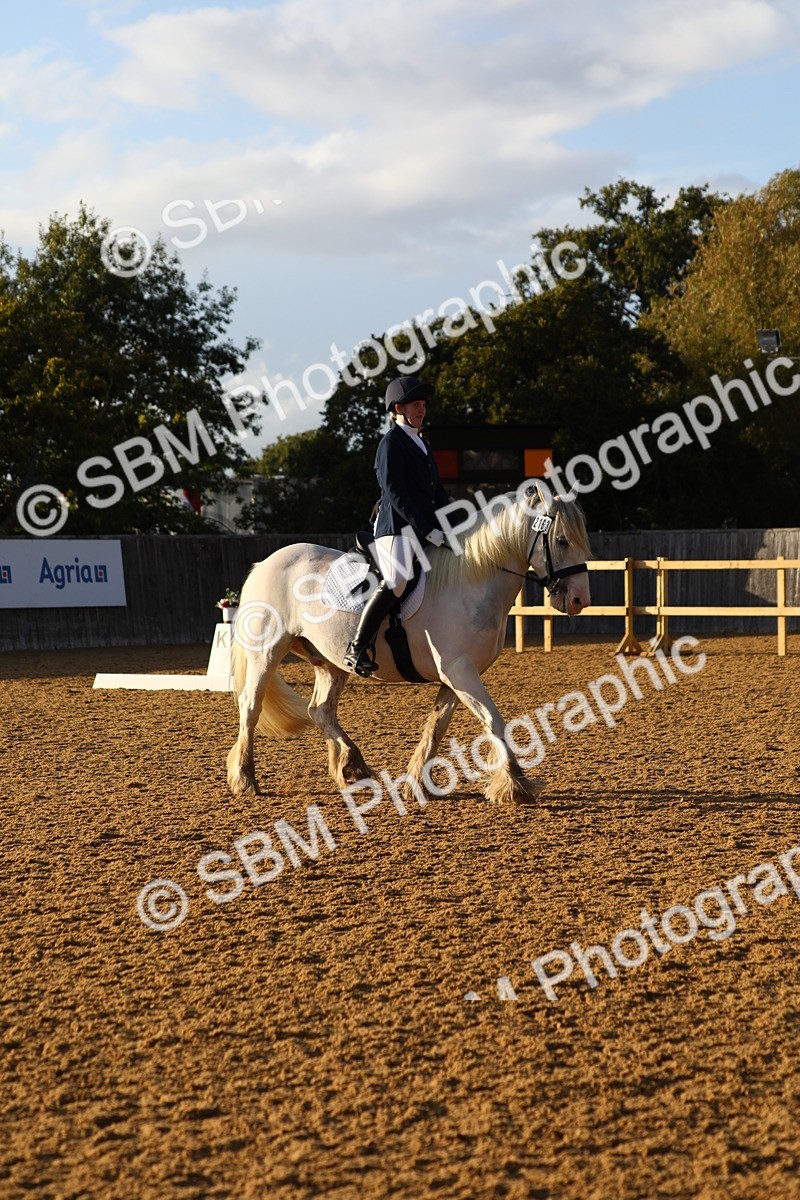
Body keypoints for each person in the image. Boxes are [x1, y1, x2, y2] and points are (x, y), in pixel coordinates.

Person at [343, 375, 450, 676]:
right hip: (395, 527)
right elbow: (395, 493)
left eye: (424, 405)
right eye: (415, 405)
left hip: (421, 527)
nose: (422, 410)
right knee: (397, 580)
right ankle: (357, 646)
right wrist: (427, 528)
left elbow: (437, 493)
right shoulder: (390, 443)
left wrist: (457, 524)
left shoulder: (422, 445)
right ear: (398, 409)